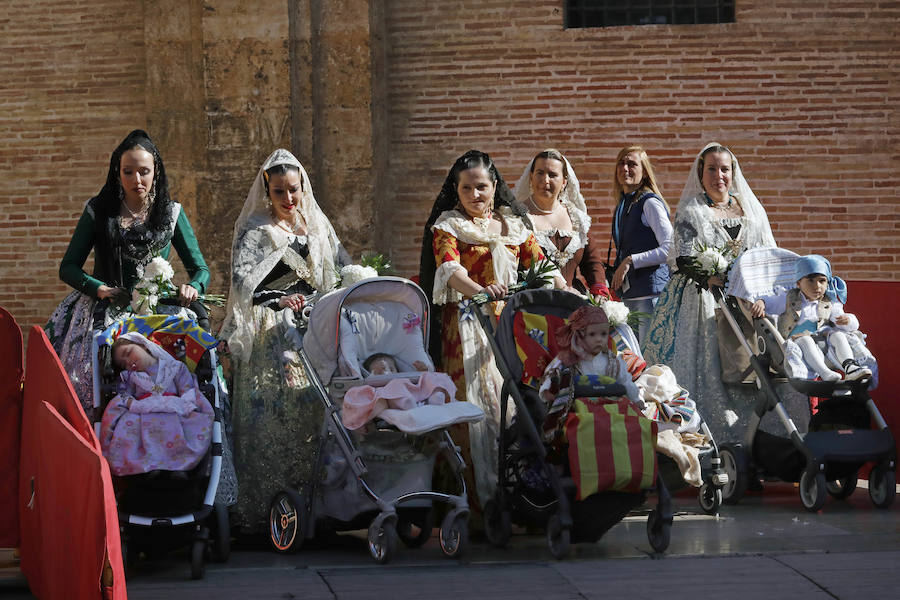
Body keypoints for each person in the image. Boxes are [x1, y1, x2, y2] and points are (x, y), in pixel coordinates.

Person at [418, 149, 565, 508]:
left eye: (481, 187)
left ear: (494, 185)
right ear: (457, 190)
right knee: (476, 405)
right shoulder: (448, 225)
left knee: (519, 402)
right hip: (467, 325)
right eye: (466, 188)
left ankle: (522, 492)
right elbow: (449, 270)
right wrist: (480, 292)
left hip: (513, 323)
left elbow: (543, 266)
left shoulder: (513, 224)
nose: (475, 195)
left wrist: (571, 294)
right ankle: (475, 498)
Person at [220, 148, 350, 534]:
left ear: (302, 186)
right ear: (268, 190)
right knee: (273, 418)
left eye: (293, 190)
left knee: (315, 413)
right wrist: (277, 297)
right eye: (280, 192)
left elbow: (340, 266)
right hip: (271, 333)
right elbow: (242, 280)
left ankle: (317, 506)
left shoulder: (318, 227)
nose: (289, 199)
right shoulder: (256, 230)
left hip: (314, 329)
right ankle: (266, 509)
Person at [46, 130, 210, 412]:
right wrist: (98, 287)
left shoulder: (171, 213)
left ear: (155, 172)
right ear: (117, 173)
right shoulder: (99, 211)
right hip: (104, 308)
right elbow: (68, 267)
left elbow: (200, 269)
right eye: (128, 172)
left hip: (159, 311)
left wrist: (193, 286)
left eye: (144, 172)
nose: (137, 180)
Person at [641, 143, 779, 443]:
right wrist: (712, 274)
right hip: (703, 299)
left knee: (751, 365)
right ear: (700, 174)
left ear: (733, 172)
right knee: (711, 371)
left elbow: (764, 253)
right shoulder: (692, 211)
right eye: (712, 169)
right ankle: (711, 439)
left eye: (725, 169)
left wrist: (757, 292)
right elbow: (685, 257)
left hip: (745, 301)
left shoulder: (751, 211)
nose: (719, 175)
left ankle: (756, 440)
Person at [100, 332, 214, 477]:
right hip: (144, 409)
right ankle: (145, 466)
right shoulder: (130, 377)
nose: (129, 362)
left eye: (128, 353)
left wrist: (187, 405)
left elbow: (187, 388)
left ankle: (178, 465)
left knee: (180, 427)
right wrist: (131, 402)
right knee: (130, 426)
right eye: (123, 364)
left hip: (173, 407)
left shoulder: (175, 367)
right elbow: (123, 394)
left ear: (144, 346)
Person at [750, 254, 873, 382]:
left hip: (824, 345)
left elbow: (845, 323)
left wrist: (848, 320)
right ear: (798, 283)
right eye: (810, 281)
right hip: (798, 342)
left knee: (838, 335)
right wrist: (762, 302)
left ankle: (850, 367)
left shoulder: (829, 302)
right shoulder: (788, 298)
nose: (817, 286)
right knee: (805, 340)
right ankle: (825, 373)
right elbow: (771, 302)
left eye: (822, 281)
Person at [513, 149, 610, 298]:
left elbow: (592, 263)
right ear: (531, 177)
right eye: (540, 173)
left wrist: (600, 291)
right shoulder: (517, 217)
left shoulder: (576, 217)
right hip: (531, 303)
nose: (545, 180)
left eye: (552, 175)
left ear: (564, 182)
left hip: (572, 302)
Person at [609, 146, 673, 342]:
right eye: (621, 163)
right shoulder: (623, 204)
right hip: (630, 296)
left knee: (650, 358)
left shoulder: (649, 203)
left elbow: (670, 249)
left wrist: (630, 261)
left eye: (632, 163)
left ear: (644, 172)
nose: (625, 168)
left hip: (651, 296)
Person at [363, 352, 428, 376]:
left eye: (391, 370)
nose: (387, 374)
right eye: (379, 373)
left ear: (397, 371)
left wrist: (421, 372)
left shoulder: (401, 380)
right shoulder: (373, 389)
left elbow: (416, 385)